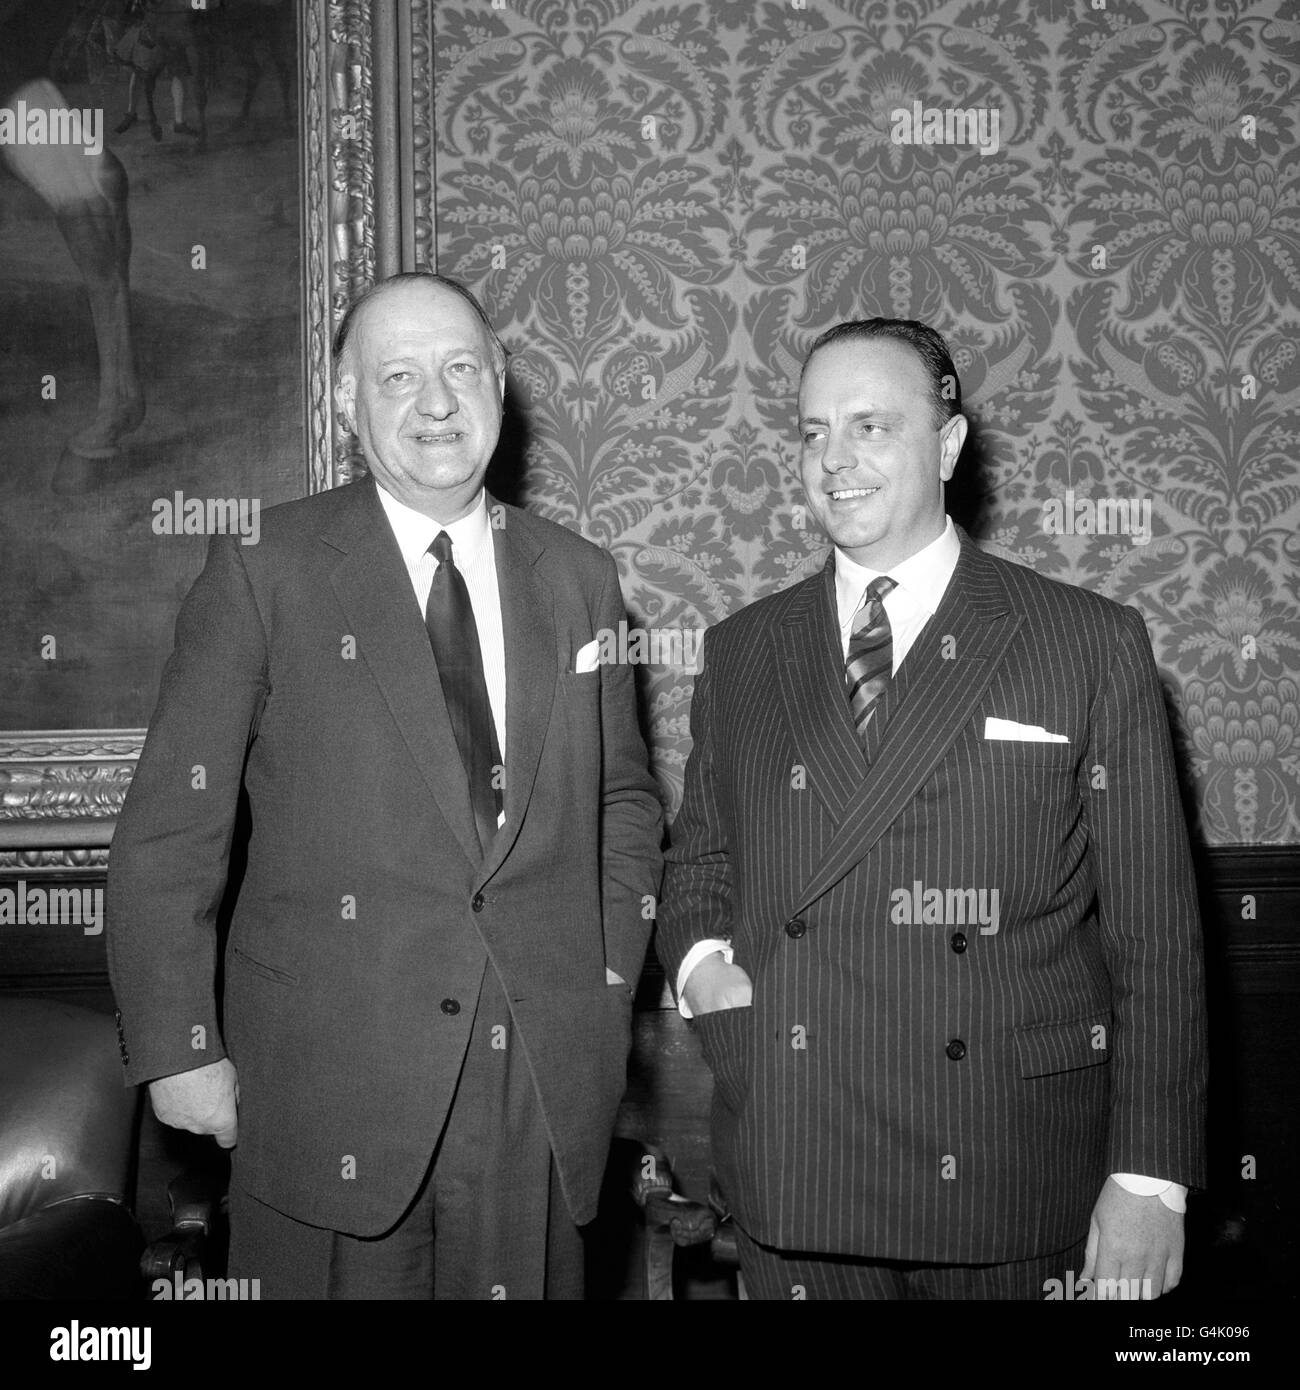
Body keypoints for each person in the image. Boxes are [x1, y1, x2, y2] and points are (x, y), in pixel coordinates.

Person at [108, 272, 664, 1299]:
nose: (437, 403)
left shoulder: (580, 576)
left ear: (501, 383)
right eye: (397, 375)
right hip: (327, 1088)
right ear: (345, 404)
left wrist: (604, 980)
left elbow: (624, 802)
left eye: (461, 368)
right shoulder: (262, 568)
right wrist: (182, 1047)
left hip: (535, 1081)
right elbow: (169, 829)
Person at [656, 318, 1207, 1301]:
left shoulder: (1085, 641)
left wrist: (1149, 1178)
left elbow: (1156, 938)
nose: (834, 460)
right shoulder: (743, 649)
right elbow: (698, 862)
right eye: (812, 431)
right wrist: (707, 975)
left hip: (1006, 1164)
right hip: (800, 1153)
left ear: (947, 443)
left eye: (870, 426)